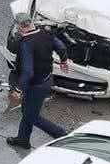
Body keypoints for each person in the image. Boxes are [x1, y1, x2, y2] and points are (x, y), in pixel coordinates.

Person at [6, 13, 69, 149]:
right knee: (27, 111)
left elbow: (28, 72)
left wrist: (18, 89)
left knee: (32, 117)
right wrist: (63, 60)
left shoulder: (26, 44)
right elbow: (61, 47)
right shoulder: (46, 34)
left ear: (19, 27)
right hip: (47, 79)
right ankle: (23, 139)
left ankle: (62, 135)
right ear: (31, 23)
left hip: (35, 86)